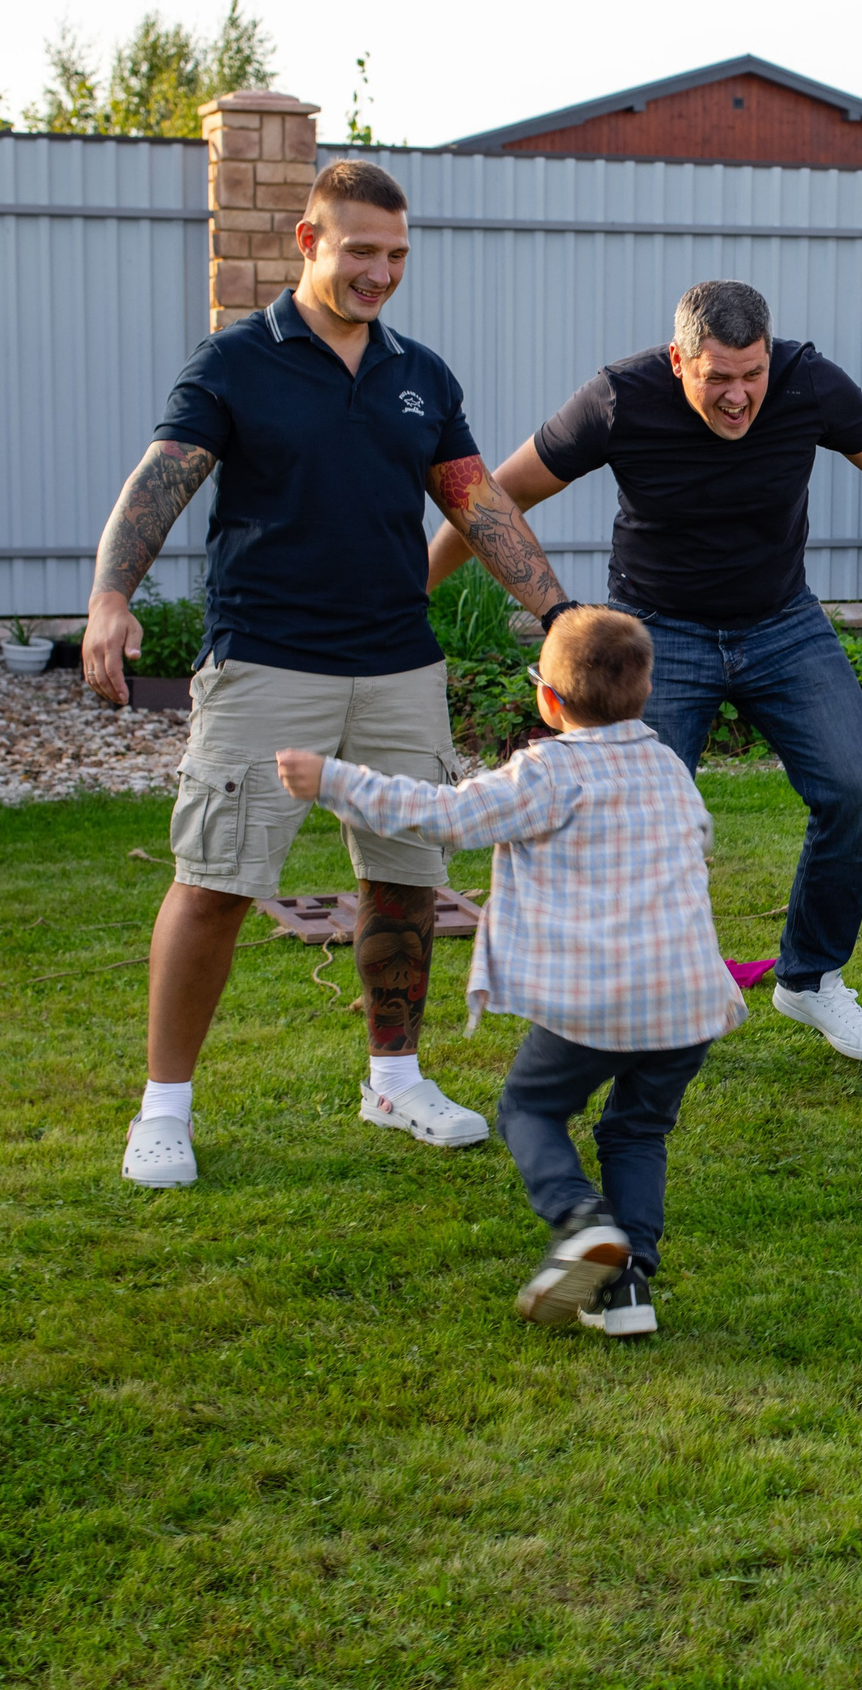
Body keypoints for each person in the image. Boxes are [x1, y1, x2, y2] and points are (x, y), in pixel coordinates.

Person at [87, 161, 572, 1190]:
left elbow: (476, 500)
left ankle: (394, 1079)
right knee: (215, 883)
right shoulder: (235, 362)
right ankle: (163, 1109)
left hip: (398, 665)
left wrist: (559, 614)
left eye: (397, 254)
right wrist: (111, 597)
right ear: (308, 240)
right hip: (266, 664)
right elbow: (161, 481)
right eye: (361, 251)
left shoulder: (420, 374)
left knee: (407, 882)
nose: (380, 273)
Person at [426, 280, 862, 1065]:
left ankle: (810, 977)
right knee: (635, 818)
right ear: (678, 360)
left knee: (856, 789)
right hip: (658, 633)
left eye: (753, 373)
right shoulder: (619, 398)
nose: (740, 395)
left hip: (781, 622)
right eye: (719, 377)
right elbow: (493, 498)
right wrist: (415, 588)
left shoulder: (807, 381)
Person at [278, 608, 741, 1336]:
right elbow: (699, 838)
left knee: (529, 1109)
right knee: (637, 1132)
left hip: (596, 999)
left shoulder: (546, 772)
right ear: (646, 692)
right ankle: (627, 1287)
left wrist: (332, 779)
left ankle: (581, 1218)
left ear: (548, 700)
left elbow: (442, 815)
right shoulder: (668, 765)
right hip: (689, 999)